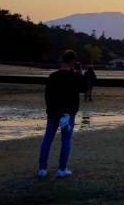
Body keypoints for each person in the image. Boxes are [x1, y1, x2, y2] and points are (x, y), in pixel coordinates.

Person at [38, 49, 84, 178]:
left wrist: (50, 110)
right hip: (67, 115)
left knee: (47, 139)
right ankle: (61, 169)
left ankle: (42, 169)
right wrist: (80, 74)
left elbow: (47, 95)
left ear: (62, 60)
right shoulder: (75, 77)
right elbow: (84, 88)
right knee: (65, 141)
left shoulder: (53, 76)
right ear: (73, 61)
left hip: (53, 113)